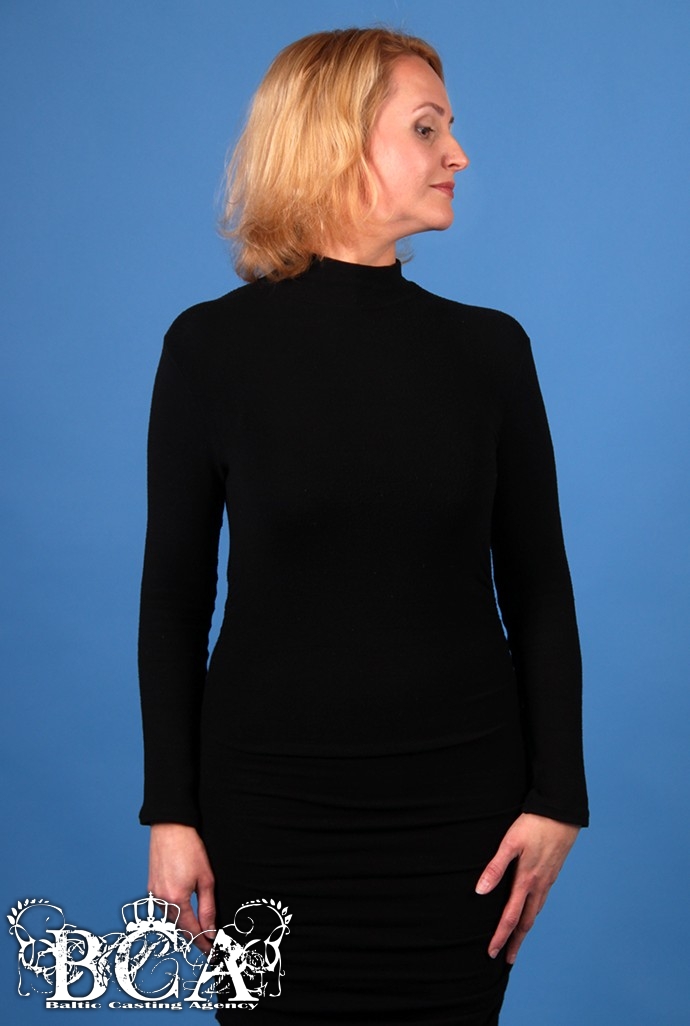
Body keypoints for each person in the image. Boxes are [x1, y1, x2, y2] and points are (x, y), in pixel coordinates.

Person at [138, 26, 589, 1025]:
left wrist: (559, 796)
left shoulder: (490, 352)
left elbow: (539, 587)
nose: (457, 153)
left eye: (450, 129)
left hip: (461, 826)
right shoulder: (210, 349)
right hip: (267, 819)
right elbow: (173, 596)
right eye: (427, 129)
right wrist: (169, 812)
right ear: (337, 139)